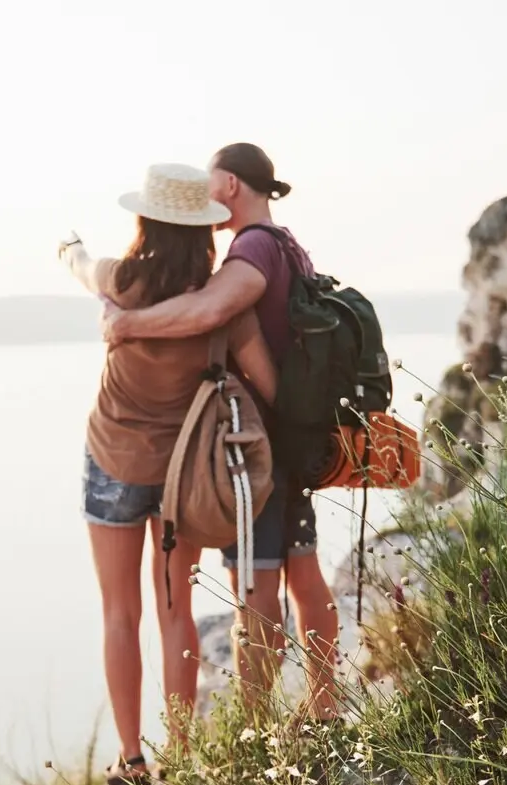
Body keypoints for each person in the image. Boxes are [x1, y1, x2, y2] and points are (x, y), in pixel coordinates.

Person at [100, 143, 342, 723]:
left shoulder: (252, 249)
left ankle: (257, 730)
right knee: (303, 575)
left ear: (229, 184)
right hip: (289, 437)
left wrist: (127, 322)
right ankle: (322, 710)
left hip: (255, 447)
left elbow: (211, 312)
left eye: (211, 182)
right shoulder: (288, 246)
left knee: (254, 592)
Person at [59, 162, 278, 785]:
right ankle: (181, 757)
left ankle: (132, 759)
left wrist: (69, 248)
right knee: (175, 611)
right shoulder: (216, 303)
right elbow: (267, 384)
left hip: (111, 462)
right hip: (185, 477)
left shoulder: (121, 281)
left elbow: (81, 268)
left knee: (117, 612)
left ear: (145, 220)